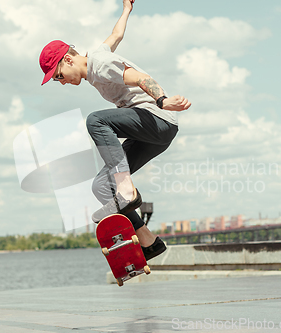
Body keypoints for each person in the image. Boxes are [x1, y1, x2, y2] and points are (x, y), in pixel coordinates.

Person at [39, 0, 190, 261]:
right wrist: (126, 10)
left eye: (59, 75)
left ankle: (126, 189)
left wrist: (163, 100)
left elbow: (140, 78)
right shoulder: (98, 56)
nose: (61, 82)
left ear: (68, 59)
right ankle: (149, 242)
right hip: (151, 135)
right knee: (100, 186)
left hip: (158, 119)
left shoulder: (100, 65)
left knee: (96, 121)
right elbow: (116, 35)